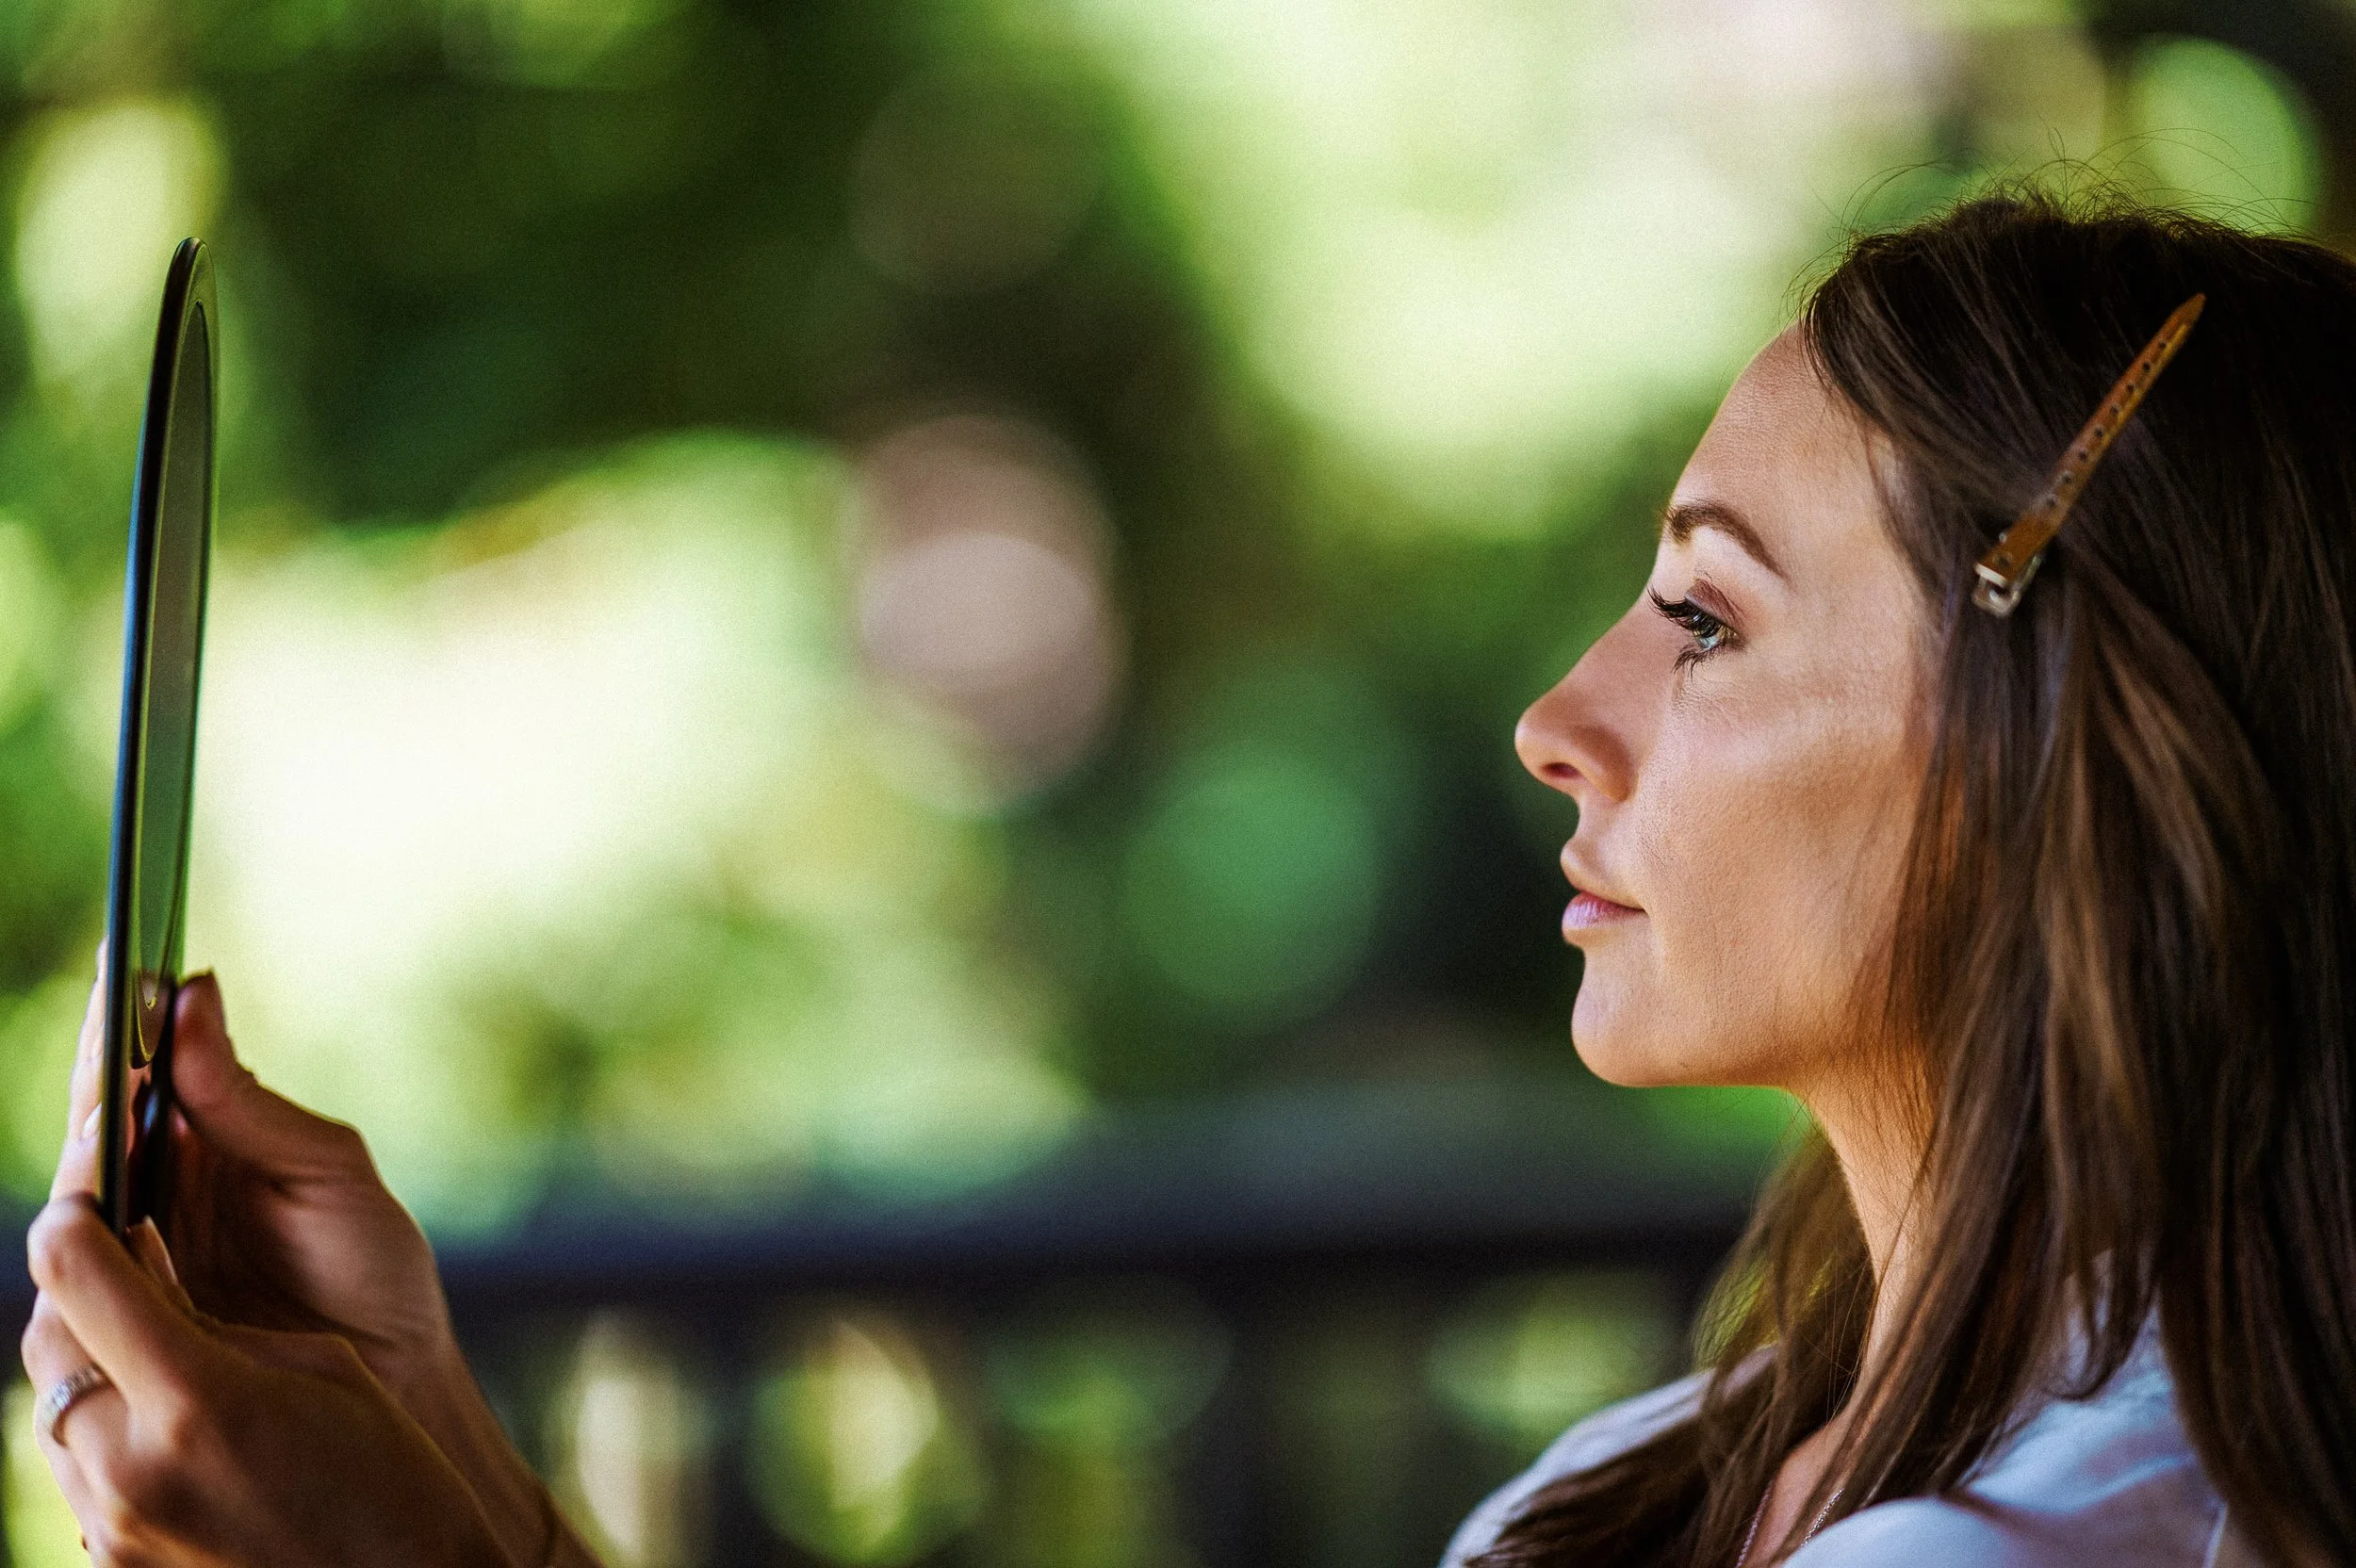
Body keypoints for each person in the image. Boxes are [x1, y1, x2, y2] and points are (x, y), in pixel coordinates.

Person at [20, 190, 2356, 1567]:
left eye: (1708, 620)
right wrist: (466, 1496)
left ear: (2076, 735)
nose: (1558, 714)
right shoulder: (1675, 1466)